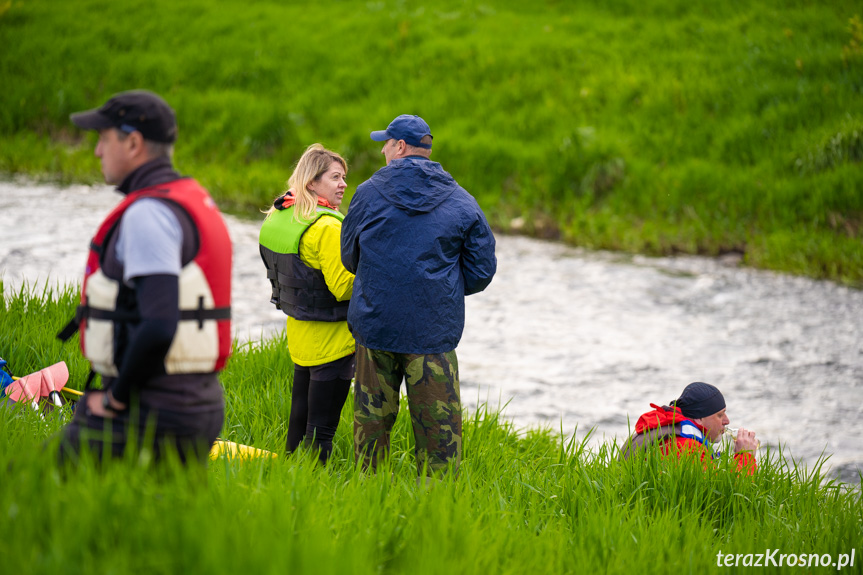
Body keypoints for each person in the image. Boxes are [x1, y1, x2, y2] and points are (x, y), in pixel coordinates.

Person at [57, 90, 232, 466]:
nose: (97, 152)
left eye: (103, 139)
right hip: (196, 402)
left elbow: (158, 324)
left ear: (133, 142)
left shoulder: (148, 213)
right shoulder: (191, 197)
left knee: (32, 488)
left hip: (151, 408)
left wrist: (113, 398)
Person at [340, 114, 497, 477]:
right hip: (432, 334)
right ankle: (435, 515)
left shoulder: (365, 194)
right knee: (441, 446)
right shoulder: (462, 201)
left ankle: (369, 504)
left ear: (399, 147)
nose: (382, 150)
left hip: (375, 328)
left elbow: (349, 257)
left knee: (370, 437)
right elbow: (482, 271)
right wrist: (441, 288)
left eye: (385, 143)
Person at [259, 144, 355, 465]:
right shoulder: (328, 226)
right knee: (322, 433)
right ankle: (314, 491)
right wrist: (380, 269)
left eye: (344, 178)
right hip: (333, 341)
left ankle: (287, 473)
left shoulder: (280, 214)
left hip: (300, 335)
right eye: (335, 177)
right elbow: (343, 288)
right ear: (312, 182)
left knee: (297, 424)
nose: (343, 184)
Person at [622, 381, 758, 473]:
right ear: (699, 418)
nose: (727, 421)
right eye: (720, 415)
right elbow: (723, 494)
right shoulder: (686, 447)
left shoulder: (670, 431)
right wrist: (745, 456)